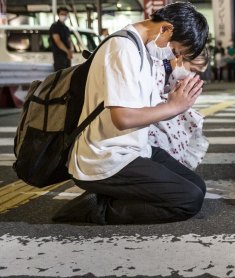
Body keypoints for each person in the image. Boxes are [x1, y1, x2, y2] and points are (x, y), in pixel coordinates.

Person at [53, 2, 208, 225]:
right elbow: (123, 118)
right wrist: (173, 107)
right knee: (188, 199)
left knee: (197, 187)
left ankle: (113, 195)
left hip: (134, 149)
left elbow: (148, 109)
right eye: (176, 51)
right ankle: (96, 208)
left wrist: (177, 101)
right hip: (105, 156)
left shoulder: (140, 49)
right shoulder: (122, 48)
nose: (175, 59)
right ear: (165, 29)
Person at [149, 48, 210, 171]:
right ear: (181, 57)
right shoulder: (155, 66)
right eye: (193, 70)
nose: (193, 76)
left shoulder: (170, 72)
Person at [49, 7, 72, 71]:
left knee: (67, 75)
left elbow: (69, 40)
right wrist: (68, 52)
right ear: (58, 14)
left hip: (67, 57)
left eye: (65, 14)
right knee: (60, 76)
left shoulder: (66, 28)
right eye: (62, 14)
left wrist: (70, 51)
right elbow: (58, 41)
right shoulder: (55, 26)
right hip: (59, 56)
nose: (64, 16)